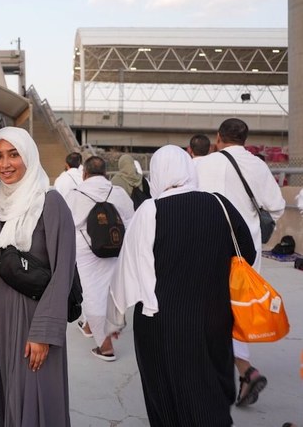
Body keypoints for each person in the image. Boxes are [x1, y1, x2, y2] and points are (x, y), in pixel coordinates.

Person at [108, 144, 256, 426]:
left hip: (162, 324)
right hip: (215, 316)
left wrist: (113, 322)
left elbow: (125, 273)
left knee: (166, 396)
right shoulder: (221, 204)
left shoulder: (150, 211)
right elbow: (247, 253)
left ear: (158, 174)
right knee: (210, 389)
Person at [0, 126, 75, 426]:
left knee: (37, 397)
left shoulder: (49, 202)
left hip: (35, 319)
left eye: (14, 155)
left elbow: (63, 271)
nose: (5, 164)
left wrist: (44, 332)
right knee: (5, 395)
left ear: (29, 156)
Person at [195, 117, 286, 407]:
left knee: (207, 309)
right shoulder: (257, 165)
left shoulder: (202, 164)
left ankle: (221, 375)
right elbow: (277, 207)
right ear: (245, 139)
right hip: (246, 251)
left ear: (218, 137)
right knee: (239, 311)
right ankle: (244, 369)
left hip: (209, 246)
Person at [66, 156, 133, 361]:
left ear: (84, 174)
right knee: (109, 290)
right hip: (115, 247)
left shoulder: (75, 194)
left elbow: (66, 225)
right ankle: (89, 326)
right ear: (105, 173)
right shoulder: (118, 193)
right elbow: (130, 221)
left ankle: (106, 346)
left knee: (91, 292)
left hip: (85, 249)